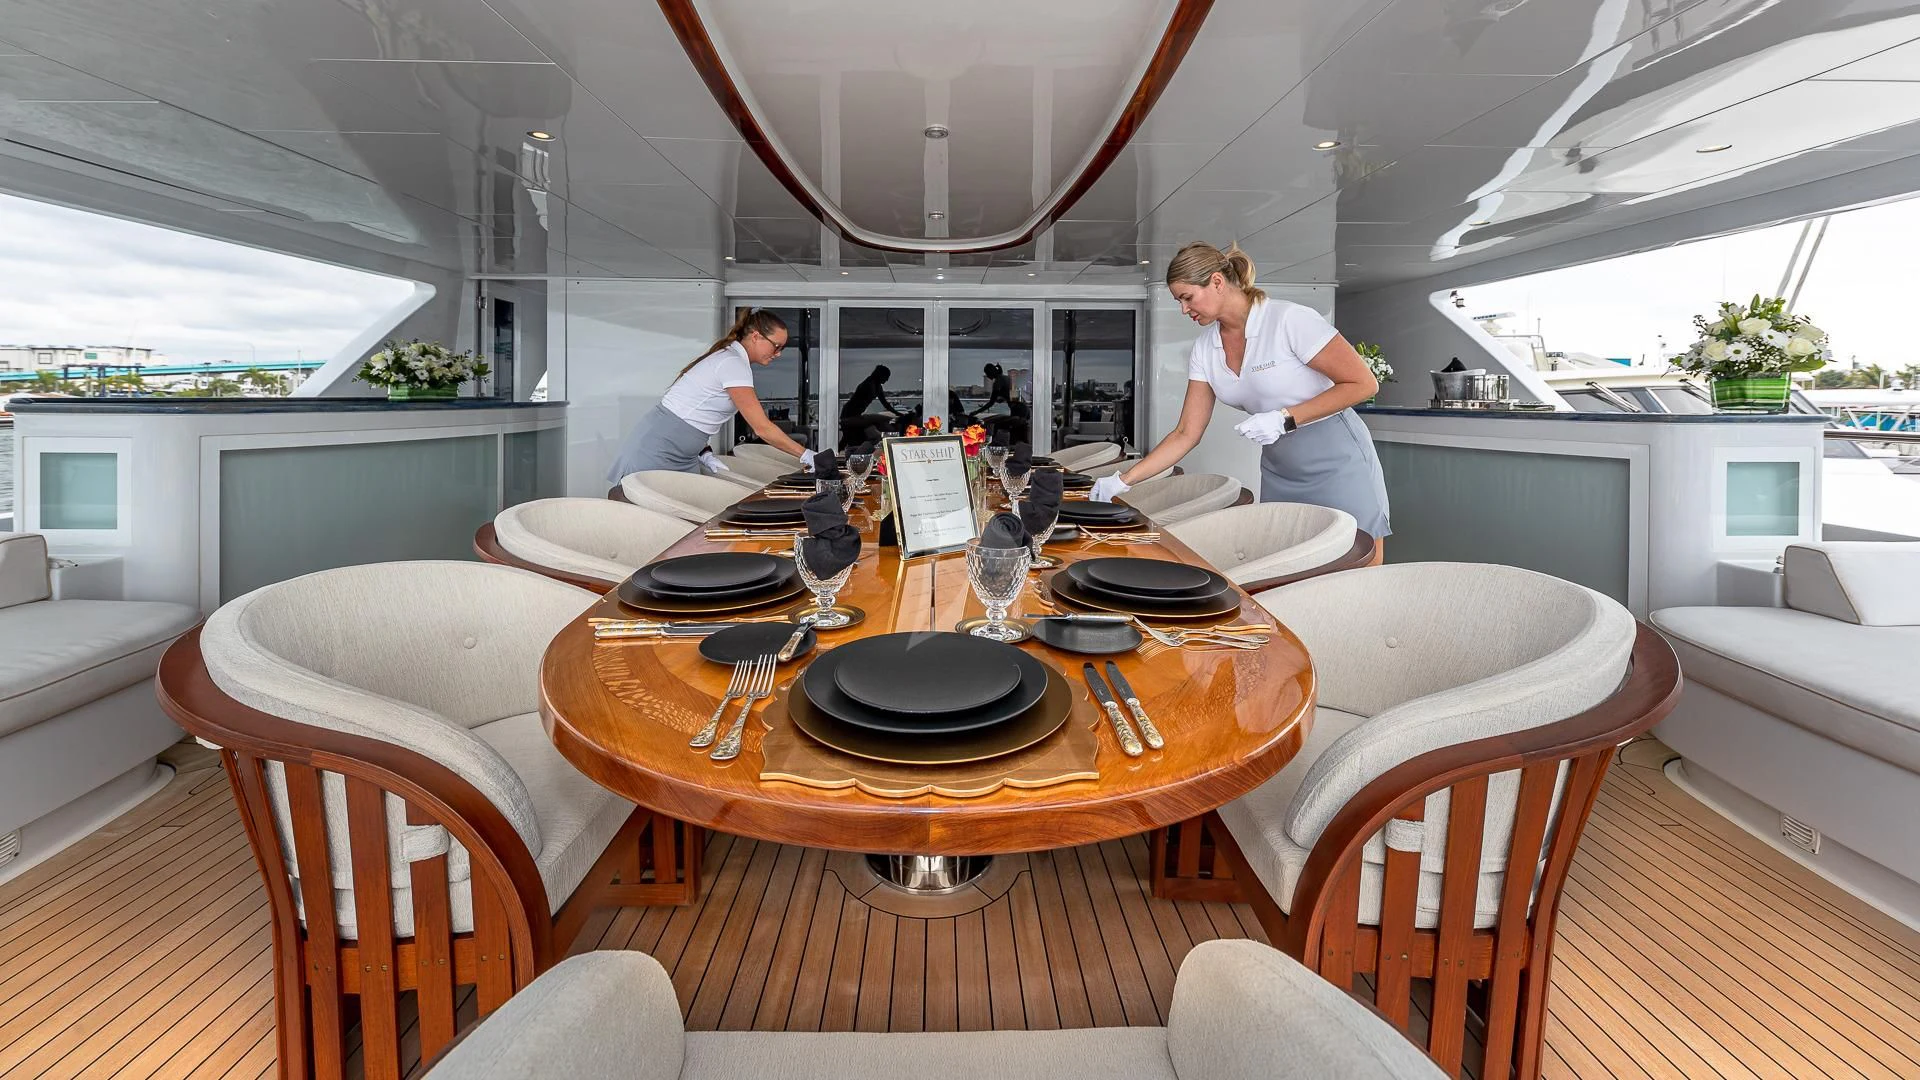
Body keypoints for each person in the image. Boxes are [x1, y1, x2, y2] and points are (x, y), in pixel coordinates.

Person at [1090, 241, 1390, 545]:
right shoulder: (1205, 349)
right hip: (1280, 466)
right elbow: (1185, 433)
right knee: (1286, 561)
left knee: (1358, 553)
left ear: (1217, 282)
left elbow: (1363, 384)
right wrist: (1123, 481)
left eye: (1187, 298)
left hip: (1337, 458)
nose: (1184, 309)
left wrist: (1285, 418)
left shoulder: (1288, 320)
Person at [605, 308, 812, 482]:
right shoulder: (732, 363)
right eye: (777, 346)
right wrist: (805, 455)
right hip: (660, 450)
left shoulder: (732, 359)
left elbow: (696, 411)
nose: (778, 354)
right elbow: (762, 428)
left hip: (683, 453)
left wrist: (703, 451)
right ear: (756, 336)